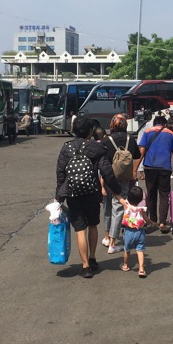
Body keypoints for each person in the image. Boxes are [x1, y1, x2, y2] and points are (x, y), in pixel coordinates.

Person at [56, 116, 126, 278]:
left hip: (73, 194)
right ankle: (93, 258)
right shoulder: (96, 147)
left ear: (74, 130)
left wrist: (58, 197)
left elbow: (60, 174)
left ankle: (85, 266)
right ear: (90, 131)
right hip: (92, 193)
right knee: (93, 225)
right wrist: (117, 193)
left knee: (80, 229)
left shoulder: (66, 148)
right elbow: (107, 172)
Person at [102, 114, 141, 254]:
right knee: (118, 208)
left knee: (107, 207)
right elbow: (136, 155)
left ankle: (107, 237)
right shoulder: (130, 139)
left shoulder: (106, 140)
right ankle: (113, 242)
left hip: (108, 177)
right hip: (123, 177)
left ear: (112, 125)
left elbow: (102, 160)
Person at [138, 116, 173, 234]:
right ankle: (162, 222)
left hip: (149, 167)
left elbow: (142, 151)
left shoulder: (147, 132)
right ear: (165, 124)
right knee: (164, 195)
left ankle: (152, 221)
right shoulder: (170, 134)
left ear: (154, 124)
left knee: (151, 194)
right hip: (164, 168)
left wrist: (135, 169)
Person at [120, 185, 157, 278]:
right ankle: (141, 269)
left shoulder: (126, 206)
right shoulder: (141, 209)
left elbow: (119, 198)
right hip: (140, 232)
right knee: (140, 250)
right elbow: (147, 220)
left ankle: (125, 265)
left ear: (128, 197)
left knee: (127, 250)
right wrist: (152, 223)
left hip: (128, 231)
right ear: (140, 199)